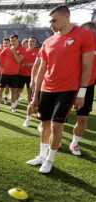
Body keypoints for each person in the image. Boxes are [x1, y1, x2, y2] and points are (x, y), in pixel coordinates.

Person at [27, 5, 94, 173]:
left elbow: (87, 66)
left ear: (66, 17)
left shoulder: (84, 35)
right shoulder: (49, 41)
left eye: (54, 20)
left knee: (57, 126)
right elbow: (42, 69)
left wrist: (82, 92)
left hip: (68, 89)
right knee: (44, 124)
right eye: (50, 21)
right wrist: (35, 94)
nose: (51, 24)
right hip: (46, 88)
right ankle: (41, 156)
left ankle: (50, 159)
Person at [69, 21, 96, 156]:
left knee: (82, 118)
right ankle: (55, 138)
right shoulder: (74, 44)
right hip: (69, 84)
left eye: (84, 31)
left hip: (88, 86)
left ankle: (74, 143)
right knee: (62, 115)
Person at [0, 34, 25, 112]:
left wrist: (14, 51)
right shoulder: (6, 49)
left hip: (14, 74)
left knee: (13, 91)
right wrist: (0, 67)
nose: (12, 42)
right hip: (4, 74)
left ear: (17, 40)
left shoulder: (22, 49)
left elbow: (18, 60)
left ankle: (13, 106)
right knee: (0, 90)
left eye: (13, 40)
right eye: (11, 41)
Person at [18, 36, 39, 105]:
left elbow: (41, 63)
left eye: (33, 41)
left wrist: (30, 64)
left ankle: (29, 103)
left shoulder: (38, 51)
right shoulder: (24, 50)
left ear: (35, 42)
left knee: (29, 91)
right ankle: (15, 103)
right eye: (30, 41)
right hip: (21, 74)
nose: (31, 42)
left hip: (31, 75)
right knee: (19, 90)